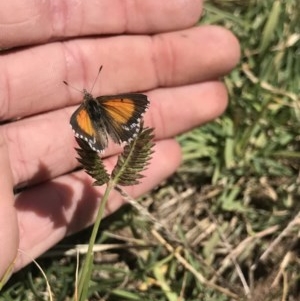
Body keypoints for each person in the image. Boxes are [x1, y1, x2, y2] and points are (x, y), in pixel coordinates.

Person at [0, 0, 240, 280]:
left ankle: (106, 136)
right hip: (106, 127)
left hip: (104, 127)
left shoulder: (84, 113)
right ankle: (106, 136)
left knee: (105, 130)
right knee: (104, 132)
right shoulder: (87, 113)